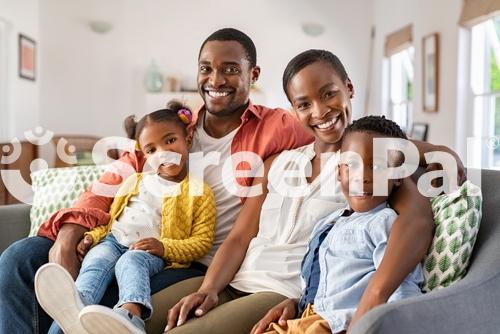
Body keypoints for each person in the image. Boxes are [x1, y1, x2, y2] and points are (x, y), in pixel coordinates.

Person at [0, 28, 313, 334]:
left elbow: (332, 134)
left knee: (109, 295)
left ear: (253, 74)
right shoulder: (172, 127)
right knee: (18, 259)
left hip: (185, 259)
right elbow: (109, 182)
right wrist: (69, 238)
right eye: (206, 69)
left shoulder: (278, 126)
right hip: (120, 237)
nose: (215, 80)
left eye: (230, 70)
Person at [160, 50, 448, 334]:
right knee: (134, 316)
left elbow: (417, 221)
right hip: (233, 280)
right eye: (304, 104)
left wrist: (427, 149)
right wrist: (210, 288)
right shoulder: (278, 162)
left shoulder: (368, 173)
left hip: (278, 294)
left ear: (349, 88)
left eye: (328, 94)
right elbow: (239, 237)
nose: (320, 112)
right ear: (293, 111)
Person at [35, 102, 216, 334]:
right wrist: (92, 237)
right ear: (144, 155)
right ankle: (74, 308)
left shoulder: (199, 191)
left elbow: (201, 243)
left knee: (130, 263)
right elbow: (114, 221)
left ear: (188, 141)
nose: (163, 153)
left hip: (148, 252)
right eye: (152, 150)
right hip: (113, 241)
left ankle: (130, 315)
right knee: (95, 261)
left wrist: (163, 247)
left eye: (170, 141)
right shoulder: (134, 181)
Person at [256, 115, 424, 334]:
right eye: (352, 165)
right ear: (339, 171)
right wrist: (296, 303)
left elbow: (402, 291)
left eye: (377, 166)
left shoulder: (384, 224)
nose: (362, 177)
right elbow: (323, 282)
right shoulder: (328, 222)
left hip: (339, 324)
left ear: (398, 177)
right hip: (305, 318)